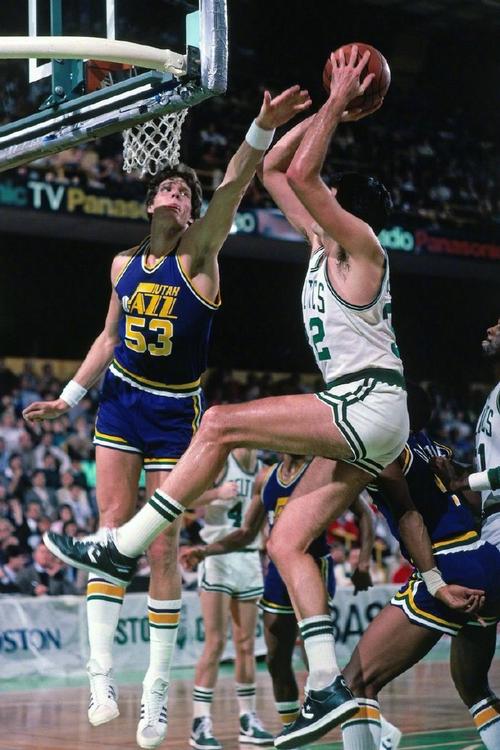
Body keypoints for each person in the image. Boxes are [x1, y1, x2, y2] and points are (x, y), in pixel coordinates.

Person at [43, 49, 476, 748]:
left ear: (344, 207)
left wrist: (334, 101)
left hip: (367, 403)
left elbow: (301, 176)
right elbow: (276, 170)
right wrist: (296, 120)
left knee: (219, 422)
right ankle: (328, 682)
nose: (315, 200)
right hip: (365, 418)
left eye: (329, 198)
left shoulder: (363, 245)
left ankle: (123, 547)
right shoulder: (320, 244)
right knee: (286, 542)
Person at [24, 84, 311, 750]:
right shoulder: (122, 265)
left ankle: (156, 686)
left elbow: (233, 185)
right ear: (151, 200)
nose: (178, 194)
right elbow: (107, 337)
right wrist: (69, 397)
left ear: (190, 212)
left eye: (186, 192)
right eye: (170, 188)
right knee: (108, 527)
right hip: (122, 400)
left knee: (161, 548)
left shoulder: (199, 255)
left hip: (177, 410)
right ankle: (100, 678)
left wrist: (261, 128)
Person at [182, 453, 401, 750]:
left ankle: (379, 727)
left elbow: (365, 513)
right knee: (276, 658)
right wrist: (204, 551)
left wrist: (363, 563)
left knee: (319, 663)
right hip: (277, 572)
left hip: (314, 565)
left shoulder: (321, 469)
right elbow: (246, 533)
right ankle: (292, 732)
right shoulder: (266, 478)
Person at [338, 383, 499, 750]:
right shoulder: (437, 449)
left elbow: (410, 518)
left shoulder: (389, 449)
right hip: (487, 560)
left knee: (356, 682)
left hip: (449, 564)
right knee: (475, 688)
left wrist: (435, 583)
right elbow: (473, 504)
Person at [431, 318, 500, 750]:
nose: (491, 327)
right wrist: (457, 480)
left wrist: (465, 481)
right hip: (492, 528)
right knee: (468, 674)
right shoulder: (492, 394)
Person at [188, 447, 273, 750]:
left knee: (247, 645)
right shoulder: (221, 462)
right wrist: (216, 493)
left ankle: (248, 718)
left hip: (249, 558)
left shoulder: (263, 470)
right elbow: (186, 499)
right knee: (215, 642)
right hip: (217, 556)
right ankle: (200, 721)